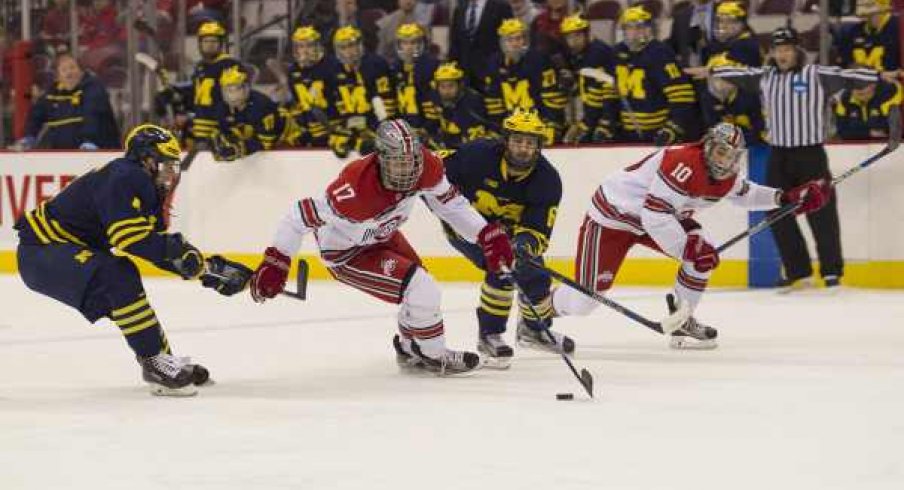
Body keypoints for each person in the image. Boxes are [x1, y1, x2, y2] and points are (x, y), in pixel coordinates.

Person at [248, 119, 514, 376]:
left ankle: (410, 348)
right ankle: (434, 354)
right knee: (422, 287)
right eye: (399, 163)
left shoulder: (428, 166)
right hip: (347, 253)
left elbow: (449, 203)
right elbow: (297, 216)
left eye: (411, 161)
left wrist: (486, 234)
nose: (408, 170)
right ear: (381, 159)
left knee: (420, 291)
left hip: (382, 234)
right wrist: (276, 264)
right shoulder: (353, 190)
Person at [13, 124, 251, 395]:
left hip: (52, 252)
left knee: (120, 279)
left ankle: (161, 361)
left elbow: (152, 247)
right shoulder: (125, 175)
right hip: (43, 250)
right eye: (166, 164)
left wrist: (207, 271)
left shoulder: (137, 182)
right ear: (147, 159)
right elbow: (132, 240)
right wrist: (182, 254)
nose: (171, 173)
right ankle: (156, 363)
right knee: (117, 276)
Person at [550, 123, 831, 349]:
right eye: (720, 151)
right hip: (614, 216)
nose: (725, 160)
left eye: (731, 155)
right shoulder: (683, 163)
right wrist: (687, 248)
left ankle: (683, 318)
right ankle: (536, 311)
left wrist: (784, 197)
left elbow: (746, 194)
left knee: (702, 256)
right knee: (584, 302)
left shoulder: (727, 176)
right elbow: (655, 215)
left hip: (654, 217)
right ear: (708, 146)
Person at [702, 27, 897, 290]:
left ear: (797, 51)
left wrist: (878, 75)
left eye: (787, 49)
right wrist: (713, 70)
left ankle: (831, 272)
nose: (782, 54)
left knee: (822, 212)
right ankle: (797, 269)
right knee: (776, 211)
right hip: (779, 155)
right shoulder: (765, 76)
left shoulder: (815, 74)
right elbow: (736, 73)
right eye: (778, 49)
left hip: (810, 154)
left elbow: (846, 75)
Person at [442, 109, 572, 368]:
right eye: (517, 141)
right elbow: (436, 172)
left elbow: (537, 228)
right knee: (501, 268)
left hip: (509, 234)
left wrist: (524, 245)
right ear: (506, 141)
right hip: (468, 227)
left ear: (538, 146)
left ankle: (534, 330)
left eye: (530, 143)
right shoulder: (477, 155)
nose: (523, 148)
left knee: (535, 274)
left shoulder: (547, 179)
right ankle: (489, 335)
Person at [613, 6, 698, 145]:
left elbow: (682, 96)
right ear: (623, 31)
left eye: (641, 27)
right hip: (626, 135)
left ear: (650, 29)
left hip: (657, 134)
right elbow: (610, 94)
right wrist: (608, 123)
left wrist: (673, 127)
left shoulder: (660, 53)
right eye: (630, 27)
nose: (637, 32)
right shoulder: (617, 53)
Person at [483, 18, 566, 144]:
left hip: (540, 122)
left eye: (519, 38)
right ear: (502, 43)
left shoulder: (540, 60)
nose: (515, 44)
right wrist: (496, 128)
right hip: (511, 126)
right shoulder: (493, 63)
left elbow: (552, 97)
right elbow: (494, 103)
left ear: (525, 40)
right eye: (510, 40)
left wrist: (552, 124)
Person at [156, 21, 241, 143]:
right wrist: (175, 92)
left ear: (221, 44)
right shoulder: (201, 66)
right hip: (200, 127)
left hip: (219, 128)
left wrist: (190, 118)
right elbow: (197, 93)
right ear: (200, 44)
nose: (210, 45)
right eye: (206, 41)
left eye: (213, 41)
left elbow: (231, 100)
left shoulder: (230, 65)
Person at [15, 53, 120, 151]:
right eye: (64, 70)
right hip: (65, 156)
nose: (69, 72)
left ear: (81, 71)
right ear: (58, 76)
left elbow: (92, 116)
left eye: (72, 67)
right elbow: (36, 116)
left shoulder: (93, 88)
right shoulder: (52, 94)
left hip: (101, 152)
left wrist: (90, 141)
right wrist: (29, 136)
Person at [325, 25, 397, 158]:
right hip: (350, 126)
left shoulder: (376, 64)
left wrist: (379, 129)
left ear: (360, 45)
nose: (348, 51)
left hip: (374, 124)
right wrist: (339, 131)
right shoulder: (333, 70)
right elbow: (334, 105)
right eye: (343, 47)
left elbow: (385, 104)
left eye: (351, 45)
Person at [207, 66, 291, 161]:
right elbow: (222, 133)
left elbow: (266, 142)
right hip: (255, 143)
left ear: (246, 88)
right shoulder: (221, 108)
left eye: (237, 89)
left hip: (288, 141)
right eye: (228, 90)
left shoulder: (262, 105)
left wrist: (239, 149)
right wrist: (217, 145)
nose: (233, 95)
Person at [558, 13, 619, 144]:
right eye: (569, 37)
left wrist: (604, 125)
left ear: (587, 34)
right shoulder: (578, 53)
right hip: (591, 116)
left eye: (577, 36)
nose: (572, 42)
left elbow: (610, 94)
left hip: (608, 118)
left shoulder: (599, 53)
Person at [422, 62, 493, 149]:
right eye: (442, 87)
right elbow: (432, 125)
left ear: (460, 85)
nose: (446, 91)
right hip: (447, 146)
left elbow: (478, 135)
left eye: (451, 86)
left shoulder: (473, 102)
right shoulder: (434, 99)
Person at [285, 25, 335, 148]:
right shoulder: (293, 71)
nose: (305, 51)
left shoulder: (333, 66)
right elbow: (298, 102)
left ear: (318, 46)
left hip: (333, 127)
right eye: (301, 47)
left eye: (309, 46)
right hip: (310, 128)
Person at [449, 0, 514, 89]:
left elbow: (509, 40)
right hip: (465, 76)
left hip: (492, 73)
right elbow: (455, 44)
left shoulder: (501, 7)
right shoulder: (460, 9)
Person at [389, 23, 440, 135]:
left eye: (413, 42)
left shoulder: (432, 66)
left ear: (421, 44)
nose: (409, 47)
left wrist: (427, 129)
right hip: (403, 126)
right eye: (405, 43)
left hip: (428, 127)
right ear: (399, 45)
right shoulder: (394, 68)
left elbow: (436, 103)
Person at [835, 0, 900, 71]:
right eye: (865, 15)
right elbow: (844, 63)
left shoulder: (899, 29)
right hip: (861, 79)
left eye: (873, 14)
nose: (867, 18)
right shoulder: (854, 31)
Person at [834, 75, 903, 140]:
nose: (857, 90)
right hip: (855, 147)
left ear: (873, 85)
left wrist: (857, 130)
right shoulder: (845, 100)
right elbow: (842, 131)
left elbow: (891, 129)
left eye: (861, 86)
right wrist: (869, 132)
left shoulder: (887, 96)